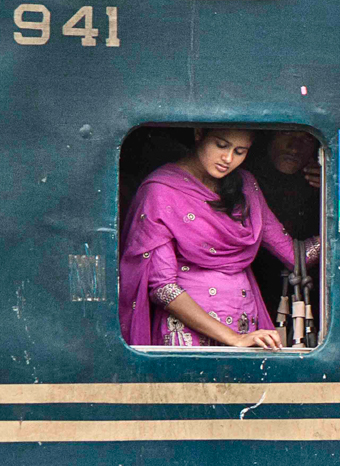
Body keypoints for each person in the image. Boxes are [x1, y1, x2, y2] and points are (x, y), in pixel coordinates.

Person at [118, 128, 321, 350]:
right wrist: (233, 339)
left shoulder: (245, 185)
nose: (228, 159)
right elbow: (162, 287)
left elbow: (294, 256)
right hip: (188, 336)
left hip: (246, 325)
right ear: (199, 135)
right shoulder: (161, 190)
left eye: (240, 151)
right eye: (221, 146)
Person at [248, 130, 323, 336]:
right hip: (253, 287)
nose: (294, 146)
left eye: (307, 138)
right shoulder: (244, 181)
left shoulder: (319, 181)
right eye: (286, 133)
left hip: (309, 289)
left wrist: (331, 187)